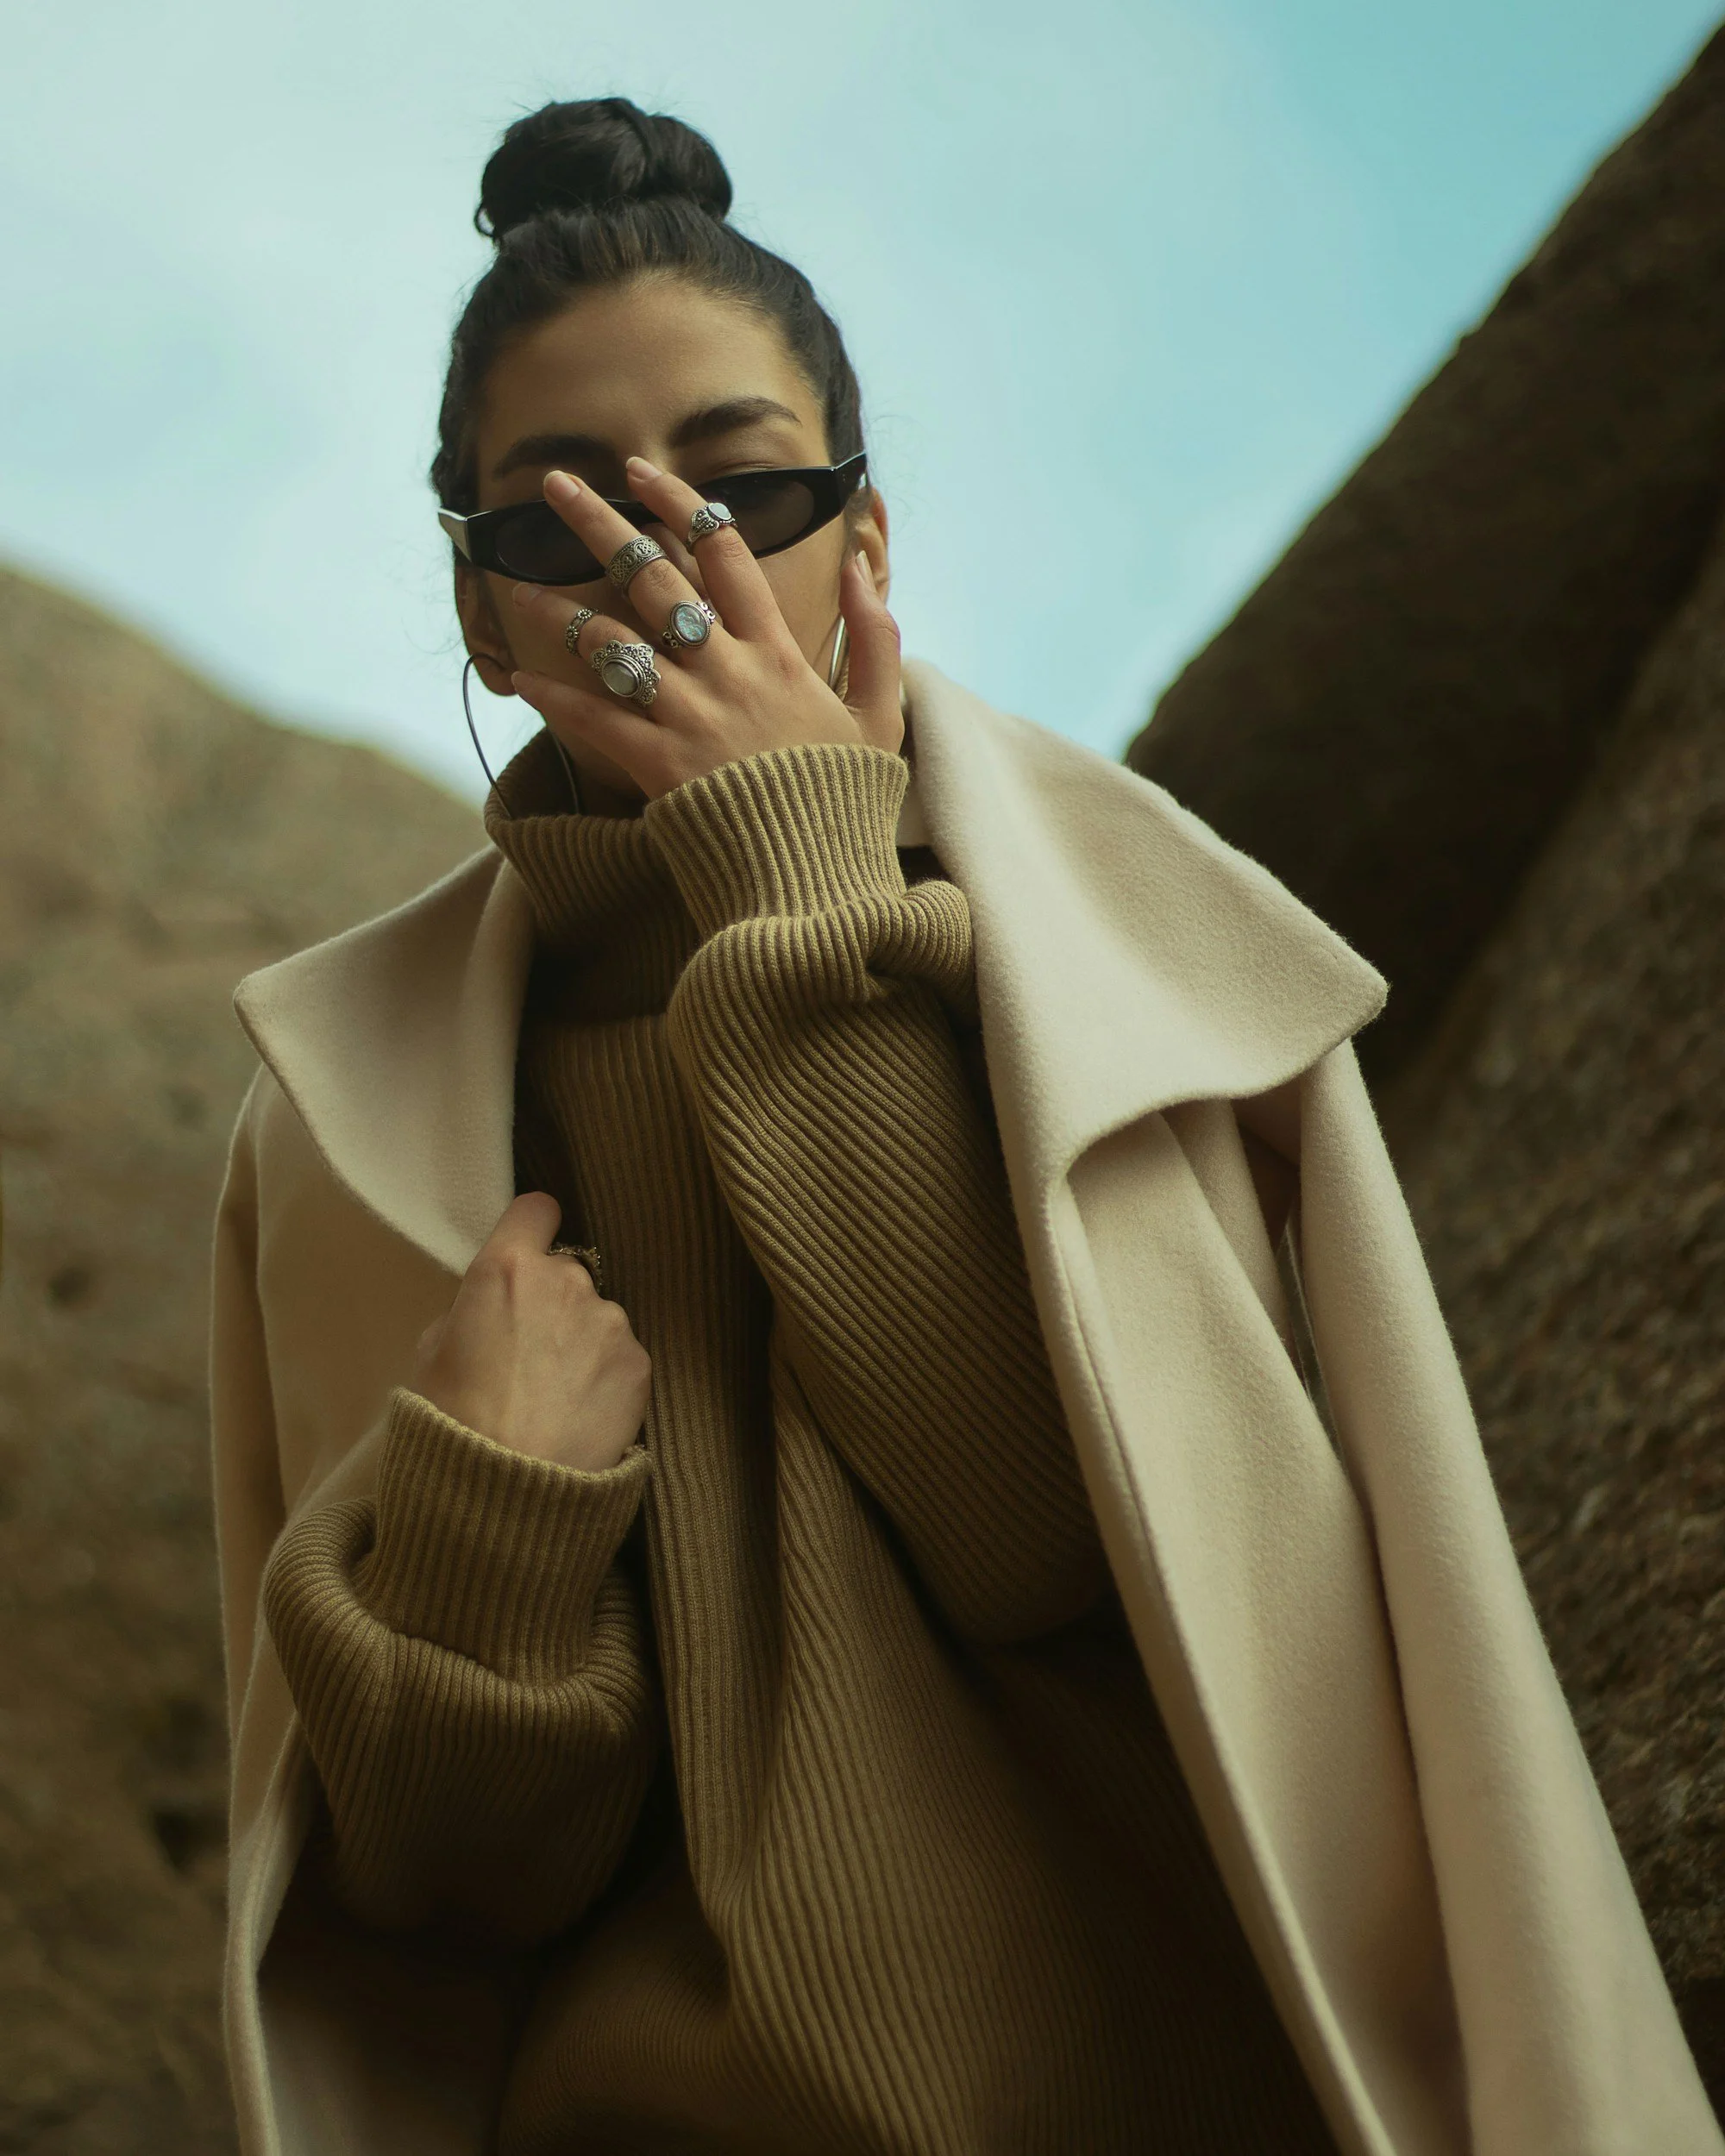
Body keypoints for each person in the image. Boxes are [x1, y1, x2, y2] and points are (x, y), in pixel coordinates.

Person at [210, 97, 1718, 2156]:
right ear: (478, 606)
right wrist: (484, 1518)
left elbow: (1030, 1537)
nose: (664, 572)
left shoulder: (1119, 967)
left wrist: (796, 872)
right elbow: (441, 1898)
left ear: (873, 538)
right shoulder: (339, 1126)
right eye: (558, 520)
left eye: (744, 487)